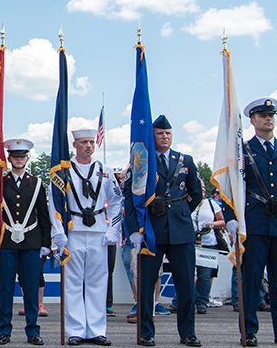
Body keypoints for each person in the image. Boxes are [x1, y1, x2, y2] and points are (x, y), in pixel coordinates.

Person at [224, 98, 277, 347]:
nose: (268, 119)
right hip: (255, 225)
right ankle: (248, 331)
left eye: (271, 115)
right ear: (253, 120)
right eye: (262, 116)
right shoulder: (242, 150)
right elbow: (232, 187)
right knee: (251, 281)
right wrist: (231, 219)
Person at [124, 115, 202, 347]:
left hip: (181, 230)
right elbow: (129, 197)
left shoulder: (185, 159)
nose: (165, 137)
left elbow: (196, 192)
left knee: (186, 284)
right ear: (152, 135)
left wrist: (180, 211)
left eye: (168, 133)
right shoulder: (141, 161)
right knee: (147, 285)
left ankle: (188, 333)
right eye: (159, 133)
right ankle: (146, 332)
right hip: (151, 230)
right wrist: (134, 230)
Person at [50, 129, 121, 346]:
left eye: (91, 142)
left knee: (98, 283)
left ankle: (97, 330)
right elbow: (54, 203)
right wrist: (58, 232)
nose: (88, 146)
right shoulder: (64, 171)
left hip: (99, 232)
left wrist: (113, 230)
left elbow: (117, 201)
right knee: (72, 283)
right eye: (83, 142)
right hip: (74, 232)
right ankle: (76, 331)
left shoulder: (106, 171)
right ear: (74, 145)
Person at [0, 138, 51, 346]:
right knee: (5, 289)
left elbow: (44, 214)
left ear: (27, 158)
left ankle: (33, 330)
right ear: (9, 158)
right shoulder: (0, 183)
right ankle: (4, 330)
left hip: (31, 242)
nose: (19, 159)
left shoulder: (37, 183)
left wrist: (46, 242)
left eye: (22, 156)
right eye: (15, 156)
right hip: (6, 242)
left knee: (30, 288)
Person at [170, 181, 224, 314]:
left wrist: (212, 224)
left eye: (204, 187)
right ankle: (179, 302)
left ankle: (202, 302)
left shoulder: (212, 204)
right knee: (184, 274)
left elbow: (222, 221)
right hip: (188, 243)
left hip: (207, 244)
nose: (203, 190)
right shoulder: (184, 202)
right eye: (200, 187)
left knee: (204, 276)